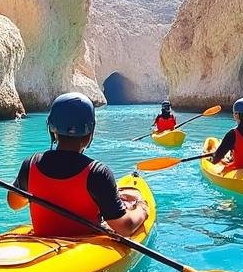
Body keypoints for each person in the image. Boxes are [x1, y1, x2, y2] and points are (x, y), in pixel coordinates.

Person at [11, 92, 148, 237]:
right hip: (85, 244)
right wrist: (141, 208)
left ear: (52, 128)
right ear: (90, 133)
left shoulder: (30, 164)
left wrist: (43, 191)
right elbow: (125, 227)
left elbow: (14, 203)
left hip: (44, 239)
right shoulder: (98, 173)